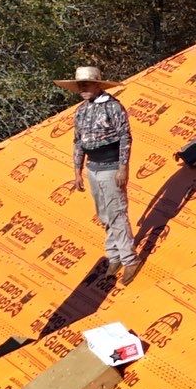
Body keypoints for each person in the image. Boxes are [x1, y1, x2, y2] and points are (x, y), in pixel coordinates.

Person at [61, 64, 140, 285]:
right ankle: (114, 255)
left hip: (110, 165)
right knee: (103, 213)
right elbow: (78, 142)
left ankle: (129, 258)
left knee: (116, 212)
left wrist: (123, 167)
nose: (83, 88)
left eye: (86, 84)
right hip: (93, 167)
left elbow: (125, 137)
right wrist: (77, 171)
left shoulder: (113, 107)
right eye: (80, 85)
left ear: (97, 84)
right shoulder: (81, 110)